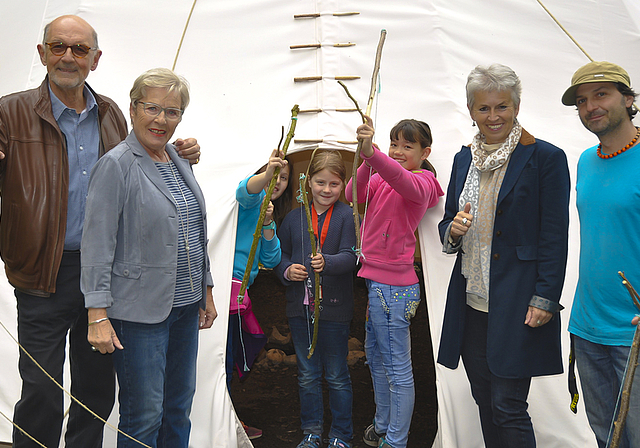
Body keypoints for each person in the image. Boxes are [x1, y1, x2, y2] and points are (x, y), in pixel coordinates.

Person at [0, 15, 200, 448]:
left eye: (79, 49)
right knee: (42, 389)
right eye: (58, 47)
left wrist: (181, 149)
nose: (68, 57)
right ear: (42, 53)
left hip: (107, 275)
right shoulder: (9, 112)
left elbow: (144, 160)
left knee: (96, 392)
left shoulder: (111, 112)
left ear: (95, 58)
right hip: (42, 273)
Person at [80, 68, 216, 448]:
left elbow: (192, 229)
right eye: (152, 108)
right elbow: (96, 246)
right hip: (138, 317)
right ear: (133, 107)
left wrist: (205, 287)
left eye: (172, 112)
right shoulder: (116, 165)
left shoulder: (178, 159)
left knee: (178, 408)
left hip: (185, 309)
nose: (161, 119)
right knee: (144, 417)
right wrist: (97, 314)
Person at [438, 64, 570, 448]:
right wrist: (452, 231)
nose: (493, 116)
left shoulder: (545, 157)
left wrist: (546, 296)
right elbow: (448, 220)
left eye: (502, 107)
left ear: (516, 106)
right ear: (470, 109)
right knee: (484, 398)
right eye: (483, 108)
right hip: (472, 302)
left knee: (508, 404)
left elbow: (554, 235)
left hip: (518, 301)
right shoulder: (464, 159)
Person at [346, 118, 444, 448]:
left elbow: (403, 181)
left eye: (407, 146)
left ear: (424, 152)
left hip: (395, 289)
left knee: (397, 367)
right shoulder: (383, 176)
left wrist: (373, 155)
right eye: (394, 144)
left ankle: (397, 440)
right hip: (375, 283)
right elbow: (353, 194)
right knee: (376, 359)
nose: (398, 151)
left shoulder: (424, 182)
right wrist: (363, 157)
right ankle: (384, 424)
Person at [562, 60, 640, 448]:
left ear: (628, 99)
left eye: (601, 94)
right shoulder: (586, 162)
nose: (590, 106)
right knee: (606, 437)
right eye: (581, 100)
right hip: (587, 325)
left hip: (635, 332)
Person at [275, 151, 357, 448]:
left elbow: (353, 257)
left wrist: (330, 263)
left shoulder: (348, 216)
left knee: (336, 374)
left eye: (333, 184)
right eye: (320, 182)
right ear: (307, 182)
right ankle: (311, 432)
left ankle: (341, 435)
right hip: (300, 309)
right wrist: (287, 270)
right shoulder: (294, 218)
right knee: (307, 375)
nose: (326, 190)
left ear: (343, 184)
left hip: (335, 310)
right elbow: (278, 255)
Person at [227, 150, 291, 440]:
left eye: (284, 178)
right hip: (229, 287)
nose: (278, 182)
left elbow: (271, 256)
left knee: (234, 356)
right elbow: (245, 190)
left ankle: (229, 419)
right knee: (226, 357)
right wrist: (265, 176)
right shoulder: (249, 202)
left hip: (242, 292)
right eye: (274, 175)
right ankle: (226, 422)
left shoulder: (268, 214)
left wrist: (268, 224)